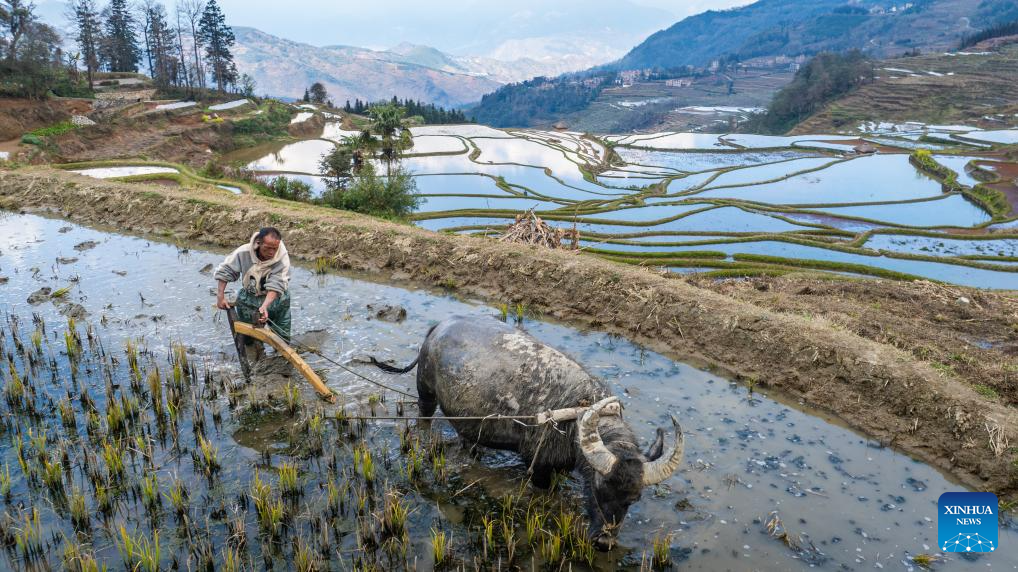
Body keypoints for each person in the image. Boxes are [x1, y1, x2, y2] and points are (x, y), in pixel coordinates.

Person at [215, 227, 292, 352]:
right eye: (267, 248)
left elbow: (277, 284)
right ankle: (255, 356)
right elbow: (226, 271)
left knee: (282, 338)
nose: (271, 252)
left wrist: (265, 306)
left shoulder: (282, 258)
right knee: (249, 338)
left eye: (274, 248)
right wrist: (220, 296)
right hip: (249, 299)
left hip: (276, 300)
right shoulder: (243, 252)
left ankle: (280, 358)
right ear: (258, 243)